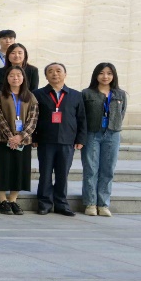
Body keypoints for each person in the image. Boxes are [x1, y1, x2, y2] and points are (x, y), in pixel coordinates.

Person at [32, 62, 87, 216]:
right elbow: (33, 118)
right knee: (45, 173)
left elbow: (82, 119)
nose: (55, 74)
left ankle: (61, 204)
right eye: (50, 71)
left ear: (65, 74)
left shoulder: (76, 95)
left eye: (58, 71)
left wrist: (81, 139)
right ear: (46, 76)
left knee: (63, 174)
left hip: (67, 140)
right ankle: (44, 203)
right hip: (45, 140)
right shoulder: (37, 94)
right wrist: (33, 137)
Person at [81, 62, 126, 217]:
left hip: (112, 134)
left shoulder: (120, 94)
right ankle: (90, 203)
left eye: (109, 73)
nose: (105, 76)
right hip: (92, 134)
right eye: (101, 73)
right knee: (91, 169)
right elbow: (82, 116)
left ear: (114, 76)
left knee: (108, 170)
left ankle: (103, 204)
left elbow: (121, 113)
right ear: (96, 75)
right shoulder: (86, 93)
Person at [0, 65, 37, 215]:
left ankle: (13, 200)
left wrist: (20, 136)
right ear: (7, 78)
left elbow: (33, 119)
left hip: (23, 141)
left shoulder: (30, 96)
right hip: (3, 139)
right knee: (2, 170)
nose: (15, 78)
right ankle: (2, 201)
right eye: (11, 75)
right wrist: (10, 136)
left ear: (23, 78)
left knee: (19, 170)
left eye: (18, 75)